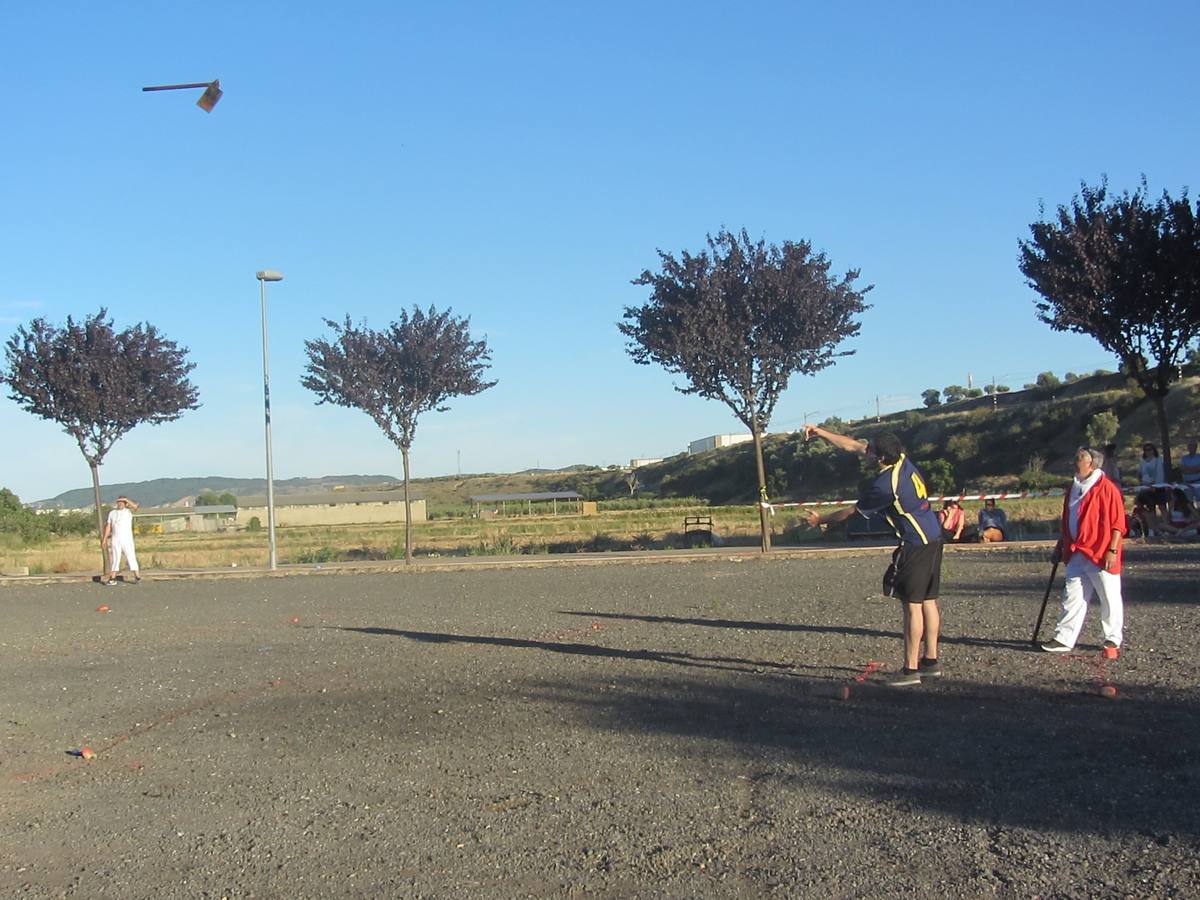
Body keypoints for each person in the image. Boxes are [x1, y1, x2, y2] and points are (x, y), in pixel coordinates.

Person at [803, 426, 944, 686]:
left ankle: (911, 671)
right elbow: (853, 446)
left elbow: (850, 513)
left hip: (915, 543)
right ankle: (930, 662)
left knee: (912, 605)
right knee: (928, 601)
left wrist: (820, 519)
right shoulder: (902, 459)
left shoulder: (885, 485)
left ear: (880, 458)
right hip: (934, 536)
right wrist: (820, 432)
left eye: (872, 452)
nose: (866, 453)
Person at [1041, 448, 1125, 653]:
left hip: (1099, 551)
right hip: (1076, 550)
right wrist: (1060, 546)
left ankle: (1112, 638)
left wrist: (1112, 550)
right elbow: (1067, 521)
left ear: (1092, 464)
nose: (1074, 462)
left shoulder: (1107, 488)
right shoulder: (1074, 488)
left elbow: (1118, 523)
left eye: (1079, 459)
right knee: (1072, 595)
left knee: (1109, 595)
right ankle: (1064, 638)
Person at [102, 496, 141, 585]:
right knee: (115, 558)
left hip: (127, 539)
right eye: (119, 502)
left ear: (125, 504)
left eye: (122, 502)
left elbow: (135, 507)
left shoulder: (127, 512)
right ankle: (112, 578)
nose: (120, 504)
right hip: (115, 538)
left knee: (130, 556)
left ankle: (137, 576)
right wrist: (105, 539)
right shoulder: (112, 513)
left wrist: (126, 499)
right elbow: (109, 526)